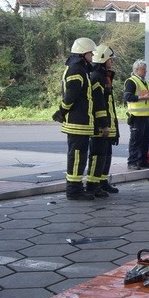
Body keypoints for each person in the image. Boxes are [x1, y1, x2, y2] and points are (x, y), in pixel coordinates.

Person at [53, 37, 97, 200]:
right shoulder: (76, 69)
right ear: (83, 53)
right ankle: (73, 190)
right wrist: (61, 112)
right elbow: (70, 96)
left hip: (81, 123)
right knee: (77, 156)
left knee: (79, 156)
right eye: (90, 53)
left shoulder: (80, 68)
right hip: (77, 123)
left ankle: (76, 187)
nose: (93, 56)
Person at [87, 45, 120, 197]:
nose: (111, 61)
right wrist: (104, 125)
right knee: (97, 156)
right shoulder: (96, 77)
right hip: (100, 126)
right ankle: (93, 185)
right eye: (109, 59)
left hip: (107, 125)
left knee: (105, 155)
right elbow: (98, 104)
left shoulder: (104, 76)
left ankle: (102, 182)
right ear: (102, 59)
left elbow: (109, 105)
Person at [124, 59, 149, 170]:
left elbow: (148, 97)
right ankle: (132, 162)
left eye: (145, 69)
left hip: (146, 115)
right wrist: (143, 98)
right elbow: (127, 97)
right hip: (136, 115)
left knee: (145, 140)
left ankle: (143, 161)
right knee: (135, 140)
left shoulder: (146, 82)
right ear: (136, 70)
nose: (145, 71)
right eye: (143, 69)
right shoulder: (132, 81)